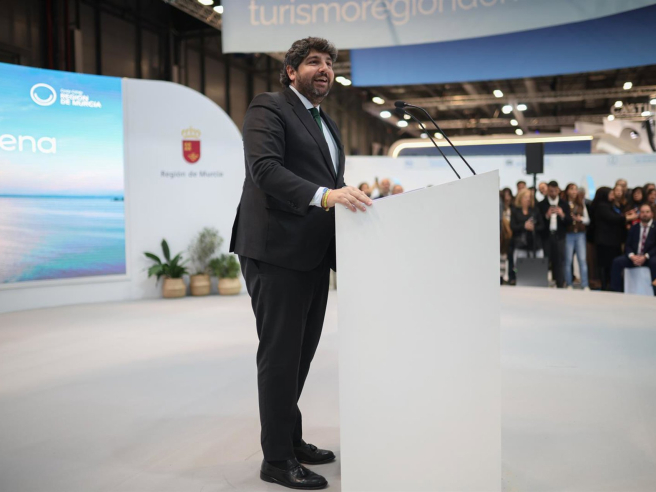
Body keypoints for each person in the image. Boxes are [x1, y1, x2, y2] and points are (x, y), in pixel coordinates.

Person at [229, 37, 372, 490]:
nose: (324, 69)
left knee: (300, 355)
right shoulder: (268, 107)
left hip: (311, 253)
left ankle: (290, 439)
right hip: (275, 250)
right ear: (291, 71)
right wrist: (327, 196)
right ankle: (276, 459)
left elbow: (330, 180)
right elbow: (265, 170)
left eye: (329, 62)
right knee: (281, 356)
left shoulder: (325, 121)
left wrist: (349, 194)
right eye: (313, 62)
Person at [592, 187, 637, 290]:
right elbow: (612, 218)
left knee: (612, 263)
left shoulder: (610, 206)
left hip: (612, 241)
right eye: (611, 194)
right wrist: (628, 218)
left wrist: (625, 215)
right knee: (605, 264)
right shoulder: (602, 206)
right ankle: (605, 285)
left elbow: (615, 216)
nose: (613, 196)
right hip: (605, 241)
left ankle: (611, 284)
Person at [610, 204, 656, 295]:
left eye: (647, 212)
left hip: (649, 257)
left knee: (655, 263)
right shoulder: (634, 227)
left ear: (652, 214)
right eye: (642, 212)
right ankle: (616, 292)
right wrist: (632, 256)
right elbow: (628, 245)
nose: (645, 214)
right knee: (617, 262)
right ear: (639, 214)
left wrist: (645, 257)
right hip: (634, 257)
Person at [538, 180, 572, 288]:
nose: (553, 193)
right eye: (551, 191)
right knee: (545, 260)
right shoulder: (542, 204)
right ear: (547, 191)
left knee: (559, 260)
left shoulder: (564, 204)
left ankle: (560, 283)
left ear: (558, 190)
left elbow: (569, 221)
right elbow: (538, 221)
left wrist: (562, 214)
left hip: (559, 236)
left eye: (555, 191)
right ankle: (543, 283)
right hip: (546, 236)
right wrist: (547, 215)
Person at [563, 183, 590, 290]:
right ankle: (569, 283)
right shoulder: (564, 204)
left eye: (575, 189)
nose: (574, 191)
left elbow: (587, 220)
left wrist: (580, 219)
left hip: (580, 234)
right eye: (572, 189)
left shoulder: (581, 203)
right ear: (567, 191)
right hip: (568, 234)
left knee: (582, 260)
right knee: (568, 260)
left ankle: (585, 284)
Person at [510, 188, 545, 265]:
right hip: (520, 244)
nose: (528, 199)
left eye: (529, 197)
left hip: (535, 244)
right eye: (526, 197)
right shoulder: (515, 211)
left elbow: (542, 226)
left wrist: (533, 227)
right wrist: (524, 226)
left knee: (537, 268)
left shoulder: (535, 210)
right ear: (520, 198)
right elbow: (513, 226)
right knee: (521, 270)